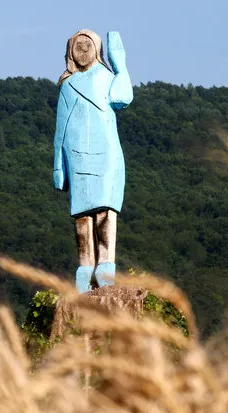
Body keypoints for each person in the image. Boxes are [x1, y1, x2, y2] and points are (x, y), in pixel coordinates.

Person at [52, 29, 134, 293]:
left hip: (105, 152)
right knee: (81, 215)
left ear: (97, 48)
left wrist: (120, 64)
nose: (83, 49)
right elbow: (60, 128)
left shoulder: (106, 77)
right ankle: (85, 265)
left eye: (88, 44)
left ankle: (106, 263)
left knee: (105, 210)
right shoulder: (67, 85)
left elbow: (123, 98)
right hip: (75, 154)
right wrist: (58, 166)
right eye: (78, 45)